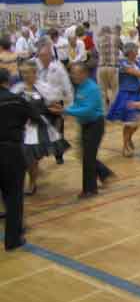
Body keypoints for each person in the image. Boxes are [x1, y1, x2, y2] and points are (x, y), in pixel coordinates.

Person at [51, 62, 114, 198]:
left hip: (95, 125)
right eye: (72, 73)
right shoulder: (80, 86)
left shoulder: (92, 88)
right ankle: (104, 175)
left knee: (88, 158)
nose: (73, 76)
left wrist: (66, 110)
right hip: (85, 124)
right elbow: (78, 105)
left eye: (76, 73)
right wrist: (65, 110)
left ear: (84, 74)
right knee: (86, 156)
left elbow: (88, 109)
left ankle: (90, 190)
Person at [12, 61, 70, 195]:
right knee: (25, 156)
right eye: (23, 72)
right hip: (20, 127)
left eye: (28, 72)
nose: (25, 75)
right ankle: (33, 175)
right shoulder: (17, 89)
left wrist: (59, 113)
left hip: (38, 127)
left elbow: (55, 106)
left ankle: (32, 182)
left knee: (30, 156)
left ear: (35, 73)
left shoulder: (44, 88)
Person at [0, 68, 42, 250]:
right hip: (11, 152)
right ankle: (13, 239)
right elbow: (36, 118)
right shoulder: (17, 100)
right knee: (14, 196)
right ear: (8, 81)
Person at [107, 42, 140, 157]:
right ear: (130, 52)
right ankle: (125, 146)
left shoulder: (137, 62)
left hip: (138, 94)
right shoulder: (123, 63)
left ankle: (129, 139)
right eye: (135, 50)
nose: (137, 52)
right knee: (129, 123)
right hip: (127, 95)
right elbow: (137, 73)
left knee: (137, 122)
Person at [35, 44, 74, 164]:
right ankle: (39, 154)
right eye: (41, 55)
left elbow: (66, 84)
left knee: (58, 130)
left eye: (45, 55)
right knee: (41, 129)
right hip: (41, 103)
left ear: (50, 55)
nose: (43, 58)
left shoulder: (58, 67)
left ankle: (59, 155)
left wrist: (70, 104)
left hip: (56, 102)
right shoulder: (35, 67)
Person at [96, 26, 120, 109]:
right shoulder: (116, 38)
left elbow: (99, 51)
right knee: (115, 90)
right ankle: (113, 111)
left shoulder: (99, 39)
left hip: (101, 67)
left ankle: (104, 111)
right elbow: (123, 49)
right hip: (113, 66)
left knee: (102, 91)